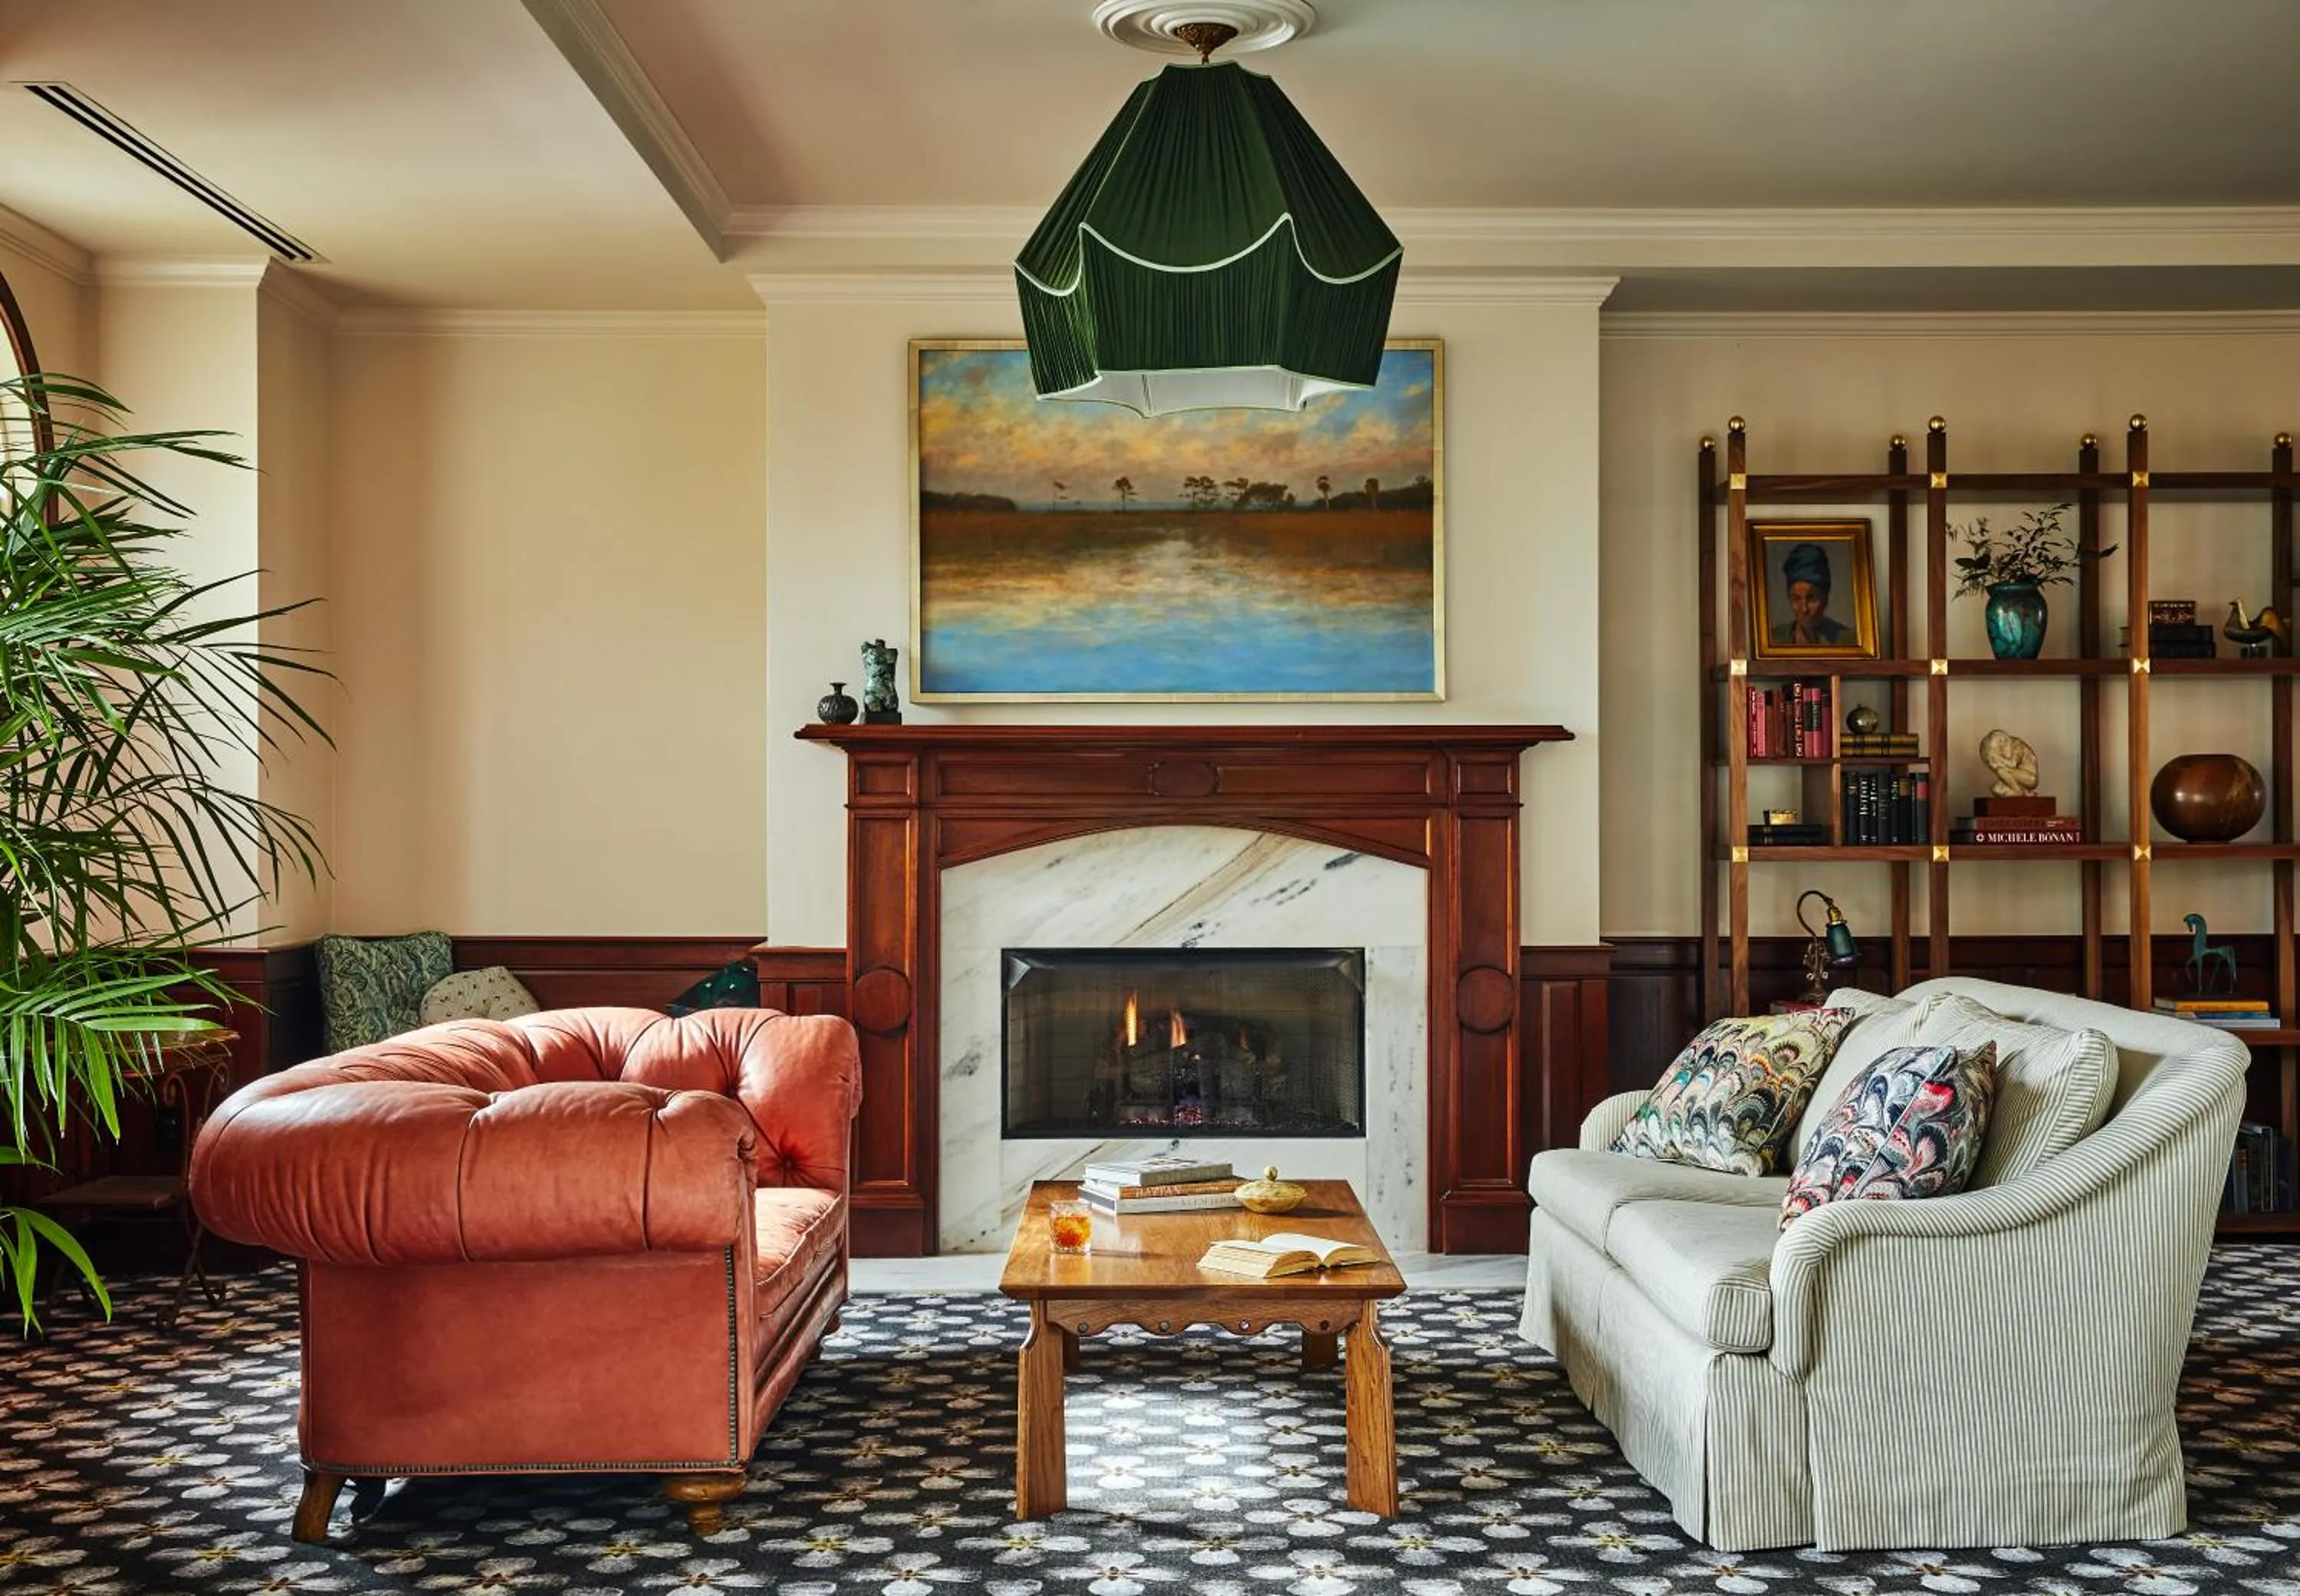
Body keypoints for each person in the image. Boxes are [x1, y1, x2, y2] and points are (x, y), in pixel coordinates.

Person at [1771, 541, 1854, 645]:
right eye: (1796, 599)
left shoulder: (1847, 641)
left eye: (1812, 598)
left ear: (1825, 598)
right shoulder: (1774, 639)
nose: (1804, 609)